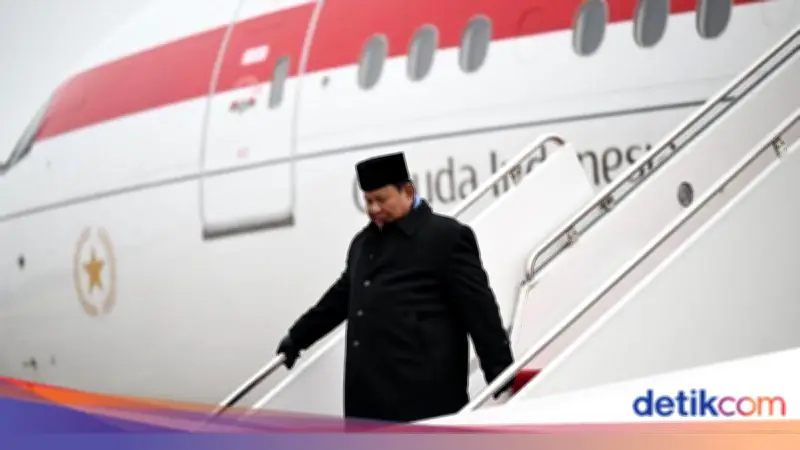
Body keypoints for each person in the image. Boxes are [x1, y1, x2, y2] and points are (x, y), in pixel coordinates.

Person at [275, 151, 514, 423]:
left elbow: (480, 310)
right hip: (367, 406)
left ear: (408, 192)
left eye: (381, 199)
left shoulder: (445, 237)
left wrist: (500, 371)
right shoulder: (362, 244)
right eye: (368, 201)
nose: (374, 209)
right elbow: (339, 299)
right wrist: (298, 336)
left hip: (424, 403)